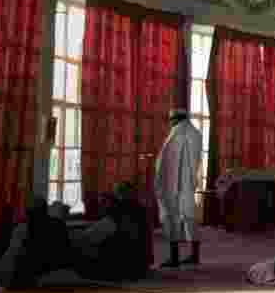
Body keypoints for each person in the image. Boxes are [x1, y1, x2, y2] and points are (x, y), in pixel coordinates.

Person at [73, 182, 152, 282]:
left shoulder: (116, 215)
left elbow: (89, 237)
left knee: (79, 253)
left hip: (117, 268)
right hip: (140, 267)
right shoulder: (142, 212)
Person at [154, 108, 202, 268]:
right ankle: (194, 256)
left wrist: (160, 182)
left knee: (171, 219)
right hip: (187, 186)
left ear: (175, 119)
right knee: (190, 219)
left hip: (172, 186)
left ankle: (174, 258)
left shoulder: (176, 134)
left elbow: (166, 162)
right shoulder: (195, 133)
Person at [0, 199, 73, 290]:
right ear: (46, 210)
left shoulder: (23, 228)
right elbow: (67, 249)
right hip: (60, 270)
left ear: (28, 213)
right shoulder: (60, 225)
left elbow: (11, 256)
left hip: (33, 276)